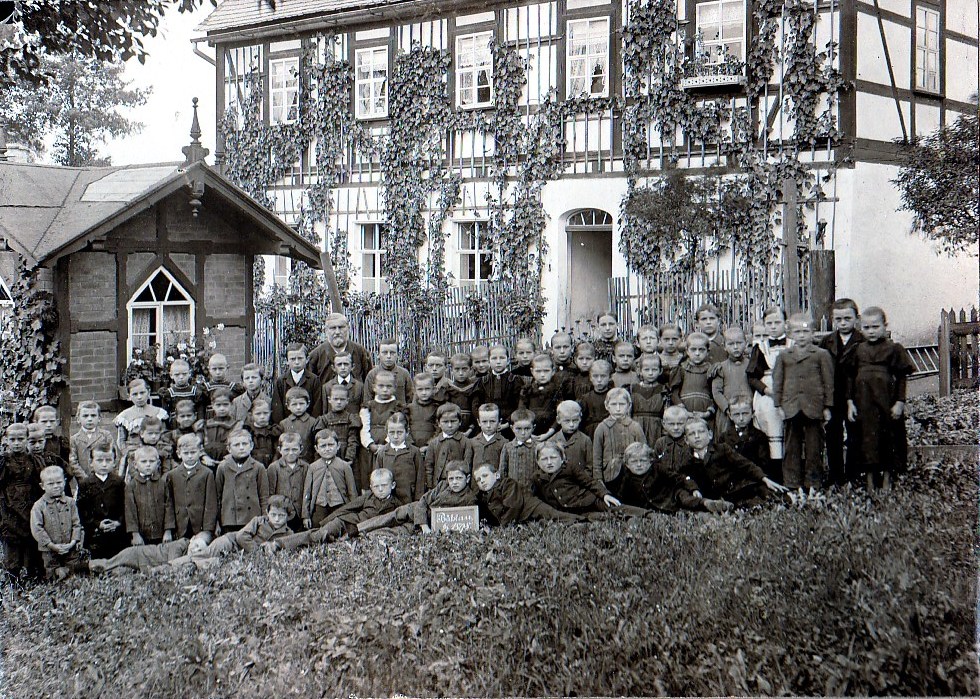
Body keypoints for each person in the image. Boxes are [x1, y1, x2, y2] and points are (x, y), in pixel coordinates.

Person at [845, 306, 915, 491]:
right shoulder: (857, 350)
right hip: (864, 404)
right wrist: (850, 403)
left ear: (885, 326)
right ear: (861, 328)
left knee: (888, 439)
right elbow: (850, 378)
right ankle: (869, 480)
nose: (871, 331)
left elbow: (901, 378)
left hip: (886, 403)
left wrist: (900, 402)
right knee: (867, 441)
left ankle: (887, 480)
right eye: (866, 328)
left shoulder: (893, 349)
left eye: (875, 327)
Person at [772, 314, 834, 490]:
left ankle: (813, 482)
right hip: (791, 406)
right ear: (790, 334)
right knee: (791, 446)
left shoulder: (821, 355)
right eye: (797, 332)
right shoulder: (784, 356)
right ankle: (792, 482)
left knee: (814, 446)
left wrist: (827, 406)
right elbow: (778, 381)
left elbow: (828, 382)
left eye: (805, 331)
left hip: (814, 406)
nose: (801, 336)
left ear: (813, 333)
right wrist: (778, 405)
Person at [278, 469, 405, 550]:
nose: (380, 490)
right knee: (319, 535)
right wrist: (326, 521)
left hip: (361, 529)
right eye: (376, 486)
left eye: (384, 485)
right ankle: (280, 544)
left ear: (392, 485)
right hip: (346, 522)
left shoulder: (396, 504)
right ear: (371, 487)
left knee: (328, 541)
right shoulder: (368, 497)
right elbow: (347, 508)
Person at [681, 419, 787, 509]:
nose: (697, 436)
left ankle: (786, 499)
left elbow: (745, 464)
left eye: (701, 432)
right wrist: (694, 489)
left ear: (710, 434)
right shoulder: (688, 460)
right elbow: (686, 478)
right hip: (718, 496)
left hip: (738, 488)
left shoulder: (722, 449)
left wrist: (764, 478)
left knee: (765, 494)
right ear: (686, 440)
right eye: (691, 434)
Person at [819, 298, 865, 485]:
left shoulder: (862, 341)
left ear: (857, 318)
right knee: (833, 435)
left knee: (855, 435)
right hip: (834, 396)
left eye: (847, 318)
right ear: (832, 320)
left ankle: (853, 474)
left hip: (855, 395)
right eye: (838, 319)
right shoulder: (827, 341)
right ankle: (836, 476)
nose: (843, 323)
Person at [609, 442, 728, 514]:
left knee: (685, 498)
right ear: (627, 464)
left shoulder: (658, 468)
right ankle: (703, 512)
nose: (639, 465)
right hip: (653, 508)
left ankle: (706, 503)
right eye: (634, 462)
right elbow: (620, 495)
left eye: (643, 461)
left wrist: (693, 488)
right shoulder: (626, 476)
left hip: (670, 497)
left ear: (650, 461)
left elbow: (679, 477)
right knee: (685, 513)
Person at [530, 442, 639, 518]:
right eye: (544, 459)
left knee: (615, 508)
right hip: (571, 512)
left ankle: (647, 514)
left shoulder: (569, 467)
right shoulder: (537, 478)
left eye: (553, 458)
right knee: (596, 519)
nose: (549, 462)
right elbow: (536, 498)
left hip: (589, 500)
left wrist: (604, 494)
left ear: (562, 458)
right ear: (538, 462)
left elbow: (590, 482)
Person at [746, 306, 791, 475]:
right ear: (764, 326)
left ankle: (792, 475)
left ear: (785, 324)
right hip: (768, 394)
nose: (773, 326)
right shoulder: (760, 347)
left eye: (777, 322)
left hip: (790, 391)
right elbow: (751, 377)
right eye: (769, 323)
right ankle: (774, 474)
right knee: (771, 432)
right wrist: (767, 390)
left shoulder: (793, 344)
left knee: (790, 435)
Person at [474, 463, 585, 526]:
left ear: (497, 475)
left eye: (485, 476)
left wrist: (504, 526)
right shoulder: (484, 497)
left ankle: (583, 520)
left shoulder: (506, 483)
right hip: (522, 518)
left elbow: (513, 505)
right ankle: (574, 524)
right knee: (545, 524)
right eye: (478, 480)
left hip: (532, 507)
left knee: (555, 515)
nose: (482, 481)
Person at [1, 423, 44, 580]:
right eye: (13, 439)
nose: (17, 443)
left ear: (27, 439)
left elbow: (38, 482)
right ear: (6, 440)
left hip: (30, 501)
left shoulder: (33, 460)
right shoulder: (4, 462)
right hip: (10, 504)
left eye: (21, 439)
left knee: (31, 535)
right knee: (11, 537)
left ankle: (33, 572)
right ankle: (13, 574)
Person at [30, 466, 85, 580]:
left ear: (64, 482)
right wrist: (51, 545)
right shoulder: (39, 506)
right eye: (50, 484)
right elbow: (37, 529)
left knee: (73, 571)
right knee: (53, 572)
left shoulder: (70, 503)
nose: (56, 486)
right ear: (42, 486)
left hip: (70, 547)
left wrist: (73, 542)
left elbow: (77, 524)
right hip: (50, 550)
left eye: (59, 482)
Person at [76, 437, 127, 558]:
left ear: (114, 462)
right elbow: (82, 510)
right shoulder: (85, 484)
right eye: (99, 460)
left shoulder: (119, 482)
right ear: (91, 462)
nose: (104, 464)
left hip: (117, 532)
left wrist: (118, 522)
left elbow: (125, 506)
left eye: (108, 460)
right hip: (95, 533)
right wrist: (97, 524)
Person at [358, 371, 407, 491]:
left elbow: (397, 427)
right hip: (370, 450)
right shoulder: (368, 406)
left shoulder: (398, 406)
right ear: (374, 387)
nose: (385, 389)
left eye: (389, 386)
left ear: (395, 388)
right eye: (381, 386)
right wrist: (370, 444)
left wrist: (386, 445)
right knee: (369, 476)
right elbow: (364, 427)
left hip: (389, 447)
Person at [164, 434, 218, 540]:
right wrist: (169, 529)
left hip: (199, 524)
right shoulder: (172, 475)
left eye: (193, 452)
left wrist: (208, 529)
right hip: (180, 525)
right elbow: (169, 503)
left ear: (199, 452)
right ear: (179, 454)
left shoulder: (207, 473)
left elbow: (210, 503)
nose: (189, 456)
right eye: (186, 453)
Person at [214, 429, 269, 533]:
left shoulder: (258, 467)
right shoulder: (223, 467)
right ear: (229, 448)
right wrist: (217, 521)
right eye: (236, 445)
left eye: (244, 444)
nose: (241, 447)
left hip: (252, 518)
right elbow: (218, 496)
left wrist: (264, 519)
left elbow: (264, 496)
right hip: (230, 519)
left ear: (251, 446)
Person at [302, 429, 357, 528]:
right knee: (317, 529)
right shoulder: (313, 467)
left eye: (331, 445)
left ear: (338, 446)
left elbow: (352, 491)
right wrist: (306, 516)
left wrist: (353, 512)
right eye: (323, 446)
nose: (327, 449)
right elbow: (307, 493)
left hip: (339, 505)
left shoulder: (344, 466)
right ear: (316, 448)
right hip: (320, 507)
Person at [593, 387, 645, 483]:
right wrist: (598, 480)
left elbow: (644, 452)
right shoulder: (602, 428)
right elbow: (597, 458)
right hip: (609, 477)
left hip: (633, 477)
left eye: (621, 404)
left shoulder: (635, 427)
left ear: (629, 406)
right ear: (606, 406)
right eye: (613, 404)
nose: (617, 408)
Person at [308, 312, 374, 384]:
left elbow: (369, 381)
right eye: (333, 328)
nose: (337, 332)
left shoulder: (360, 352)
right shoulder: (316, 355)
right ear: (326, 331)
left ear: (348, 328)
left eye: (341, 327)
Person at [472, 344, 526, 430]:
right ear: (489, 361)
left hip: (510, 426)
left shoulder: (515, 380)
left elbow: (520, 405)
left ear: (508, 361)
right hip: (487, 425)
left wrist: (508, 422)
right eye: (494, 358)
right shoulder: (482, 381)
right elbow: (475, 405)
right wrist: (483, 422)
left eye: (502, 358)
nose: (498, 361)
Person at [710, 327, 752, 436]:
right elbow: (716, 392)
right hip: (728, 413)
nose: (736, 347)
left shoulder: (751, 365)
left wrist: (751, 405)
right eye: (731, 344)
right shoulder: (721, 367)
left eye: (739, 343)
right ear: (724, 346)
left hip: (748, 410)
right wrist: (726, 408)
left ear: (746, 343)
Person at [374, 413, 424, 503]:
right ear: (387, 433)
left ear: (407, 432)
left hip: (409, 498)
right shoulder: (382, 452)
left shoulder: (414, 452)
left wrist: (418, 500)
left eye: (399, 432)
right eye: (392, 432)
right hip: (388, 501)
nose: (396, 436)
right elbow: (377, 477)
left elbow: (420, 478)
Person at [124, 446, 169, 546]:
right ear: (135, 465)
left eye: (151, 461)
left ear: (158, 464)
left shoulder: (163, 484)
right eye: (143, 462)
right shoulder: (131, 486)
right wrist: (135, 534)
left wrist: (168, 531)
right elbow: (130, 512)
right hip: (141, 536)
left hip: (161, 534)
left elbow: (168, 508)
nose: (148, 465)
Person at [266, 432, 310, 531]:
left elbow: (307, 492)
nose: (291, 453)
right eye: (286, 449)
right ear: (279, 450)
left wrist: (305, 515)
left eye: (294, 449)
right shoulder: (274, 467)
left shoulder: (306, 467)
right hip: (280, 513)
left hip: (298, 513)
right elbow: (270, 493)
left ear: (301, 449)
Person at [424, 404, 474, 489]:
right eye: (445, 422)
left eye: (453, 421)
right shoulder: (433, 443)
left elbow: (468, 465)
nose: (450, 425)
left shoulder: (466, 442)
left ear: (460, 422)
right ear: (439, 423)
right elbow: (429, 466)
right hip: (438, 486)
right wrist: (430, 486)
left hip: (459, 485)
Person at [669, 332, 715, 421]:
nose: (697, 353)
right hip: (684, 412)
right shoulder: (681, 369)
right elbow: (674, 393)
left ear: (708, 351)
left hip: (704, 412)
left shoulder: (711, 370)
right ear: (687, 351)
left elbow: (714, 394)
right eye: (693, 349)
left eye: (701, 350)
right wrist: (682, 408)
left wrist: (708, 412)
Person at [272, 342, 322, 424]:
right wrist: (281, 427)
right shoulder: (281, 381)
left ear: (307, 359)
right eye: (292, 359)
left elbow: (317, 406)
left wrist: (312, 426)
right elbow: (277, 409)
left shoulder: (314, 380)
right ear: (287, 361)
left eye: (300, 358)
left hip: (308, 426)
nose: (296, 362)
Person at [715, 397, 770, 471]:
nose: (741, 418)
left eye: (745, 413)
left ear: (752, 414)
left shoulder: (759, 436)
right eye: (737, 414)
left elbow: (764, 463)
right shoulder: (724, 437)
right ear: (730, 416)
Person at [113, 378, 169, 450]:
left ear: (148, 393)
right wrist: (127, 455)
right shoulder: (124, 416)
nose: (139, 397)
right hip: (134, 453)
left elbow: (164, 436)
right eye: (135, 394)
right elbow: (121, 441)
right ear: (129, 396)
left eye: (142, 393)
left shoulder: (159, 413)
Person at [313, 383, 361, 464]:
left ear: (347, 401)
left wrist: (349, 459)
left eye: (342, 399)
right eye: (335, 399)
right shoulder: (323, 419)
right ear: (329, 400)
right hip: (327, 457)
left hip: (346, 456)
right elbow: (320, 441)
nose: (339, 402)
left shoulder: (351, 419)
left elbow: (353, 440)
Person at [548, 400, 594, 482]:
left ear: (580, 419)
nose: (571, 425)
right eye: (567, 421)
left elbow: (590, 466)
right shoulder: (552, 441)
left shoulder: (585, 440)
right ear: (558, 420)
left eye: (575, 420)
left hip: (581, 484)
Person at [69, 401, 114, 480]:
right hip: (83, 480)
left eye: (93, 416)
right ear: (78, 419)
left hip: (104, 478)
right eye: (85, 416)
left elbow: (114, 456)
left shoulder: (106, 435)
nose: (89, 419)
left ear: (99, 418)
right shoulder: (74, 439)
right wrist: (85, 478)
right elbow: (73, 462)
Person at [364, 338, 414, 404]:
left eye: (392, 353)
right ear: (378, 354)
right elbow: (367, 401)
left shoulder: (404, 374)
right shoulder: (372, 375)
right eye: (384, 353)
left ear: (397, 354)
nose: (388, 356)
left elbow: (411, 400)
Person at [632, 353, 667, 445]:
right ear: (640, 371)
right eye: (646, 369)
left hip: (656, 428)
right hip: (637, 426)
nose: (650, 373)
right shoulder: (632, 389)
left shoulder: (664, 390)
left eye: (654, 369)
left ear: (660, 371)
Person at [160, 359, 207, 426]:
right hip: (175, 426)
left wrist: (199, 425)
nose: (181, 377)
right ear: (171, 375)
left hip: (192, 425)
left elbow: (200, 412)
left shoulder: (195, 392)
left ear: (189, 374)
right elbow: (165, 414)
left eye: (184, 374)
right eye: (177, 375)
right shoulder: (168, 393)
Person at [499, 409, 538, 486]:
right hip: (512, 490)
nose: (523, 433)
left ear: (533, 428)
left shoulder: (538, 447)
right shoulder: (507, 447)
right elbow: (503, 471)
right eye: (518, 429)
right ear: (512, 428)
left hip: (532, 491)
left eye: (527, 429)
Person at [278, 387, 317, 463]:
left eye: (301, 404)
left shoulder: (313, 422)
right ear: (288, 406)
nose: (298, 407)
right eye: (294, 404)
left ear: (308, 404)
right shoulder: (284, 423)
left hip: (309, 461)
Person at [202, 389, 243, 462]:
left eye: (225, 405)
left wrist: (226, 459)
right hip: (207, 461)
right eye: (218, 405)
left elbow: (235, 444)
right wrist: (204, 457)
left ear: (232, 404)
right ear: (212, 405)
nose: (222, 408)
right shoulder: (206, 424)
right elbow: (199, 444)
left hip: (229, 460)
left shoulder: (237, 425)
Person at [443, 352, 479, 432]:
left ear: (470, 369)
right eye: (457, 369)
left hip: (471, 427)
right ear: (451, 371)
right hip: (452, 426)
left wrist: (470, 430)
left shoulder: (474, 388)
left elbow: (475, 411)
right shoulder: (448, 388)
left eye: (464, 369)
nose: (461, 373)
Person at [653, 405, 691, 474]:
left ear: (687, 423)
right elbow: (655, 464)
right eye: (671, 424)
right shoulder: (660, 443)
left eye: (680, 424)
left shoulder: (690, 442)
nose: (676, 428)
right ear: (664, 424)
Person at [579, 360, 612, 439]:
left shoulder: (613, 395)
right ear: (590, 377)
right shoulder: (586, 398)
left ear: (610, 377)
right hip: (591, 434)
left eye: (603, 376)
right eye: (595, 376)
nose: (599, 380)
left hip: (609, 432)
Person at [243, 398, 281, 466]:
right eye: (258, 414)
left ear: (270, 413)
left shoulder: (274, 431)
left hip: (271, 465)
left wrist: (272, 465)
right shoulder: (249, 431)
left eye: (265, 413)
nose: (262, 417)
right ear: (251, 415)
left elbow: (277, 452)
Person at [406, 372, 439, 450]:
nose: (424, 393)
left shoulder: (437, 408)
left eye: (427, 389)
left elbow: (439, 429)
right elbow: (405, 427)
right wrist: (411, 444)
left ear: (434, 389)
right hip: (411, 448)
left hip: (432, 448)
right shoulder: (409, 408)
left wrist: (429, 445)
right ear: (414, 390)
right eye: (420, 389)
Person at [471, 404, 506, 474]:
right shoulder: (472, 442)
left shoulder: (504, 443)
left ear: (499, 422)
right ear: (479, 422)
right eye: (484, 422)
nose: (488, 425)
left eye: (492, 421)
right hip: (476, 483)